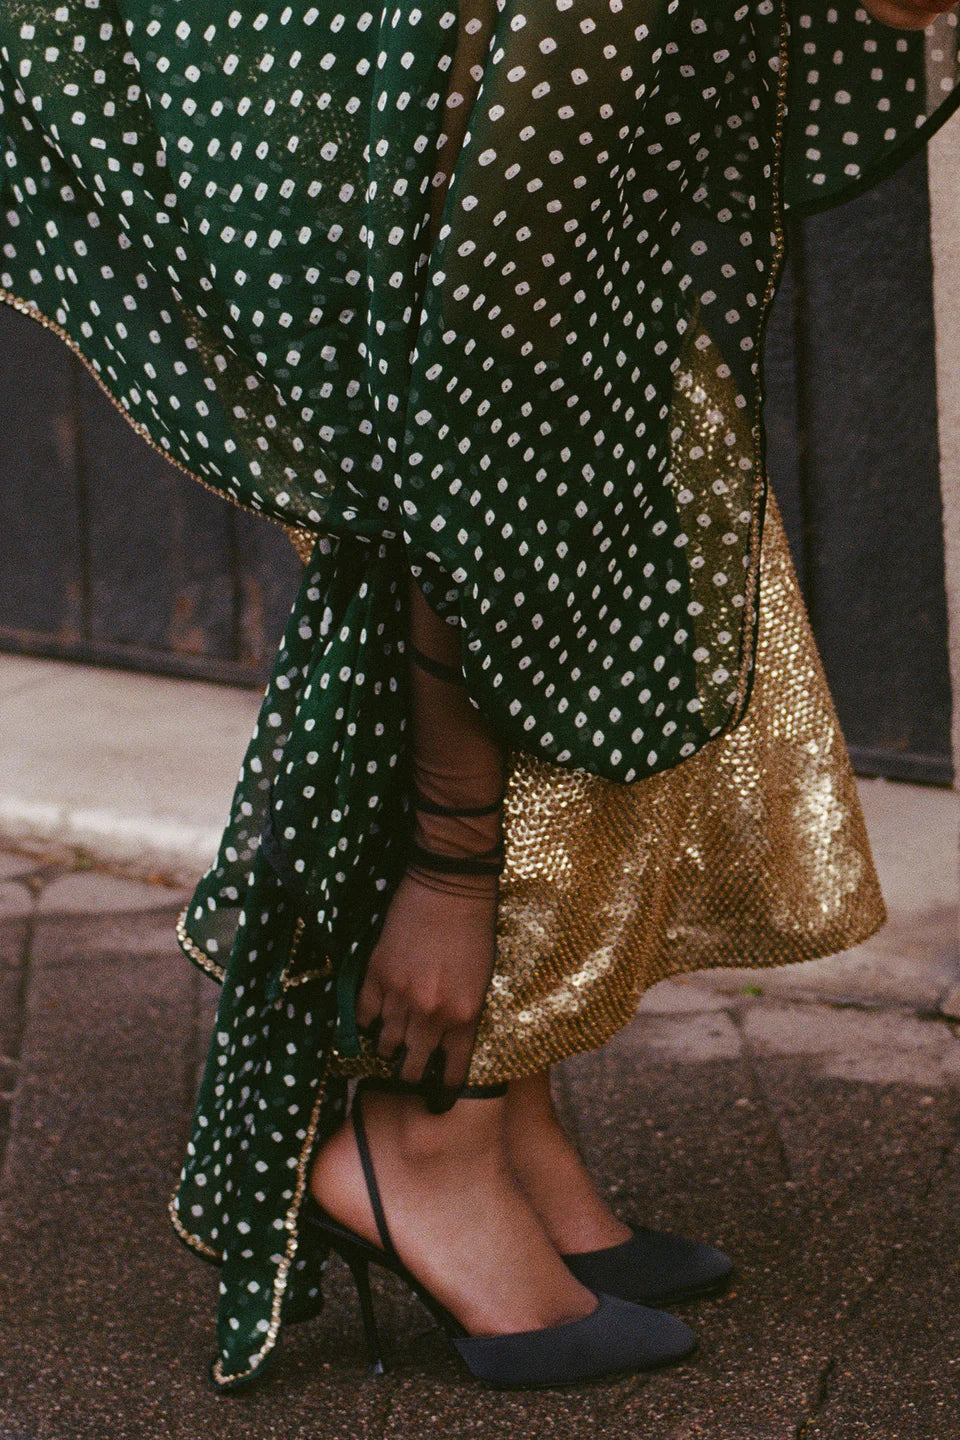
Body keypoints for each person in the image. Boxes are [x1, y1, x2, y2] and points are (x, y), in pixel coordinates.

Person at [2, 0, 959, 1391]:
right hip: (453, 346)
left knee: (610, 427)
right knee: (535, 501)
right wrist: (449, 872)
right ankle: (422, 1144)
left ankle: (507, 1119)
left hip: (478, 272)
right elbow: (470, 433)